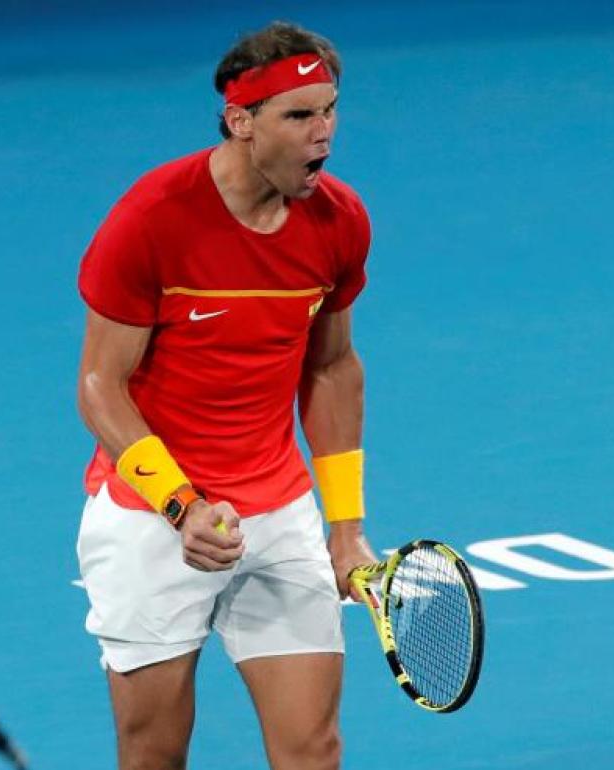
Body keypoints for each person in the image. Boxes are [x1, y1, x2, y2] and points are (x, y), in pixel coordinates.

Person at [75, 21, 376, 769]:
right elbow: (98, 385)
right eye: (299, 116)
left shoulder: (338, 221)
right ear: (241, 122)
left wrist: (345, 528)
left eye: (330, 110)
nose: (324, 134)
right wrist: (181, 505)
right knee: (154, 752)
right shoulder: (152, 220)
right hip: (152, 520)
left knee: (314, 747)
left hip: (277, 514)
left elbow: (332, 368)